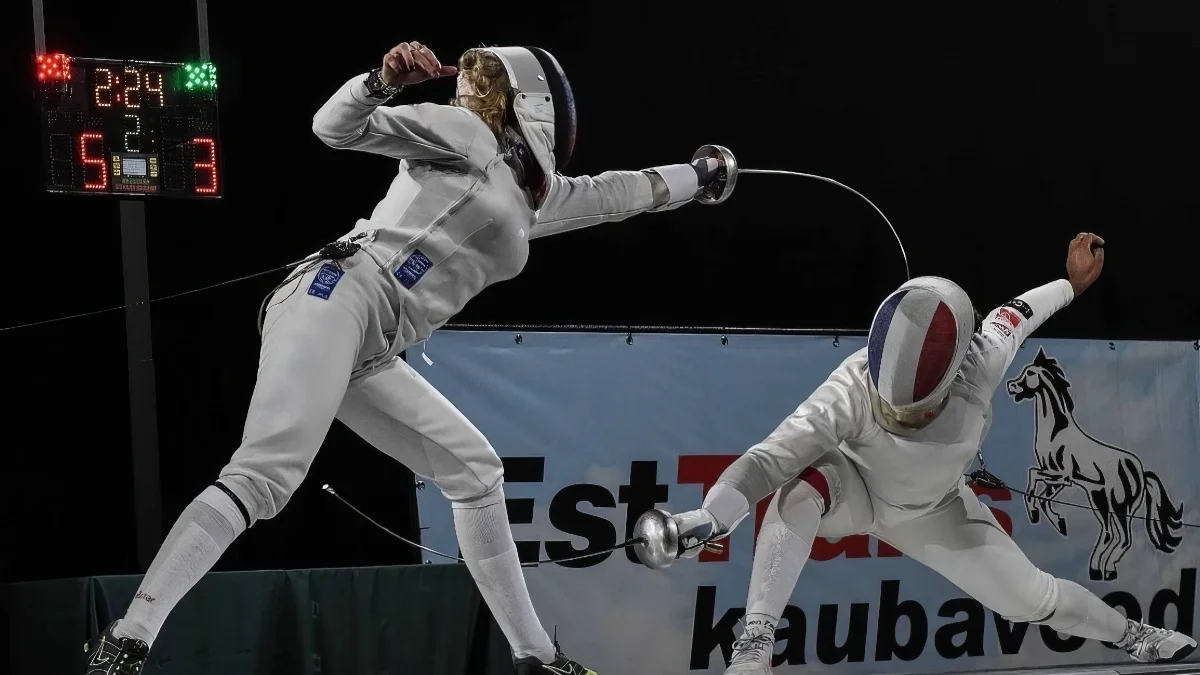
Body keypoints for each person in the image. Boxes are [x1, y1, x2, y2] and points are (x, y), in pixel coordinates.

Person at [85, 41, 724, 675]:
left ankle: (535, 658)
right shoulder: (463, 134)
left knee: (477, 473)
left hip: (373, 346)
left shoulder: (534, 198)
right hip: (338, 295)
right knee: (265, 475)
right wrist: (380, 81)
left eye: (477, 87)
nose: (462, 95)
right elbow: (334, 128)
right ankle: (128, 638)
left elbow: (621, 193)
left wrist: (702, 177)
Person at [640, 233, 1196, 673]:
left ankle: (1134, 635)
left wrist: (1071, 284)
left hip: (933, 508)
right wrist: (711, 517)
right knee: (802, 481)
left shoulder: (983, 357)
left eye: (916, 411)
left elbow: (1020, 312)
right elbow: (767, 459)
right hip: (853, 490)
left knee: (1029, 599)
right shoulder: (849, 389)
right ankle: (756, 643)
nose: (902, 419)